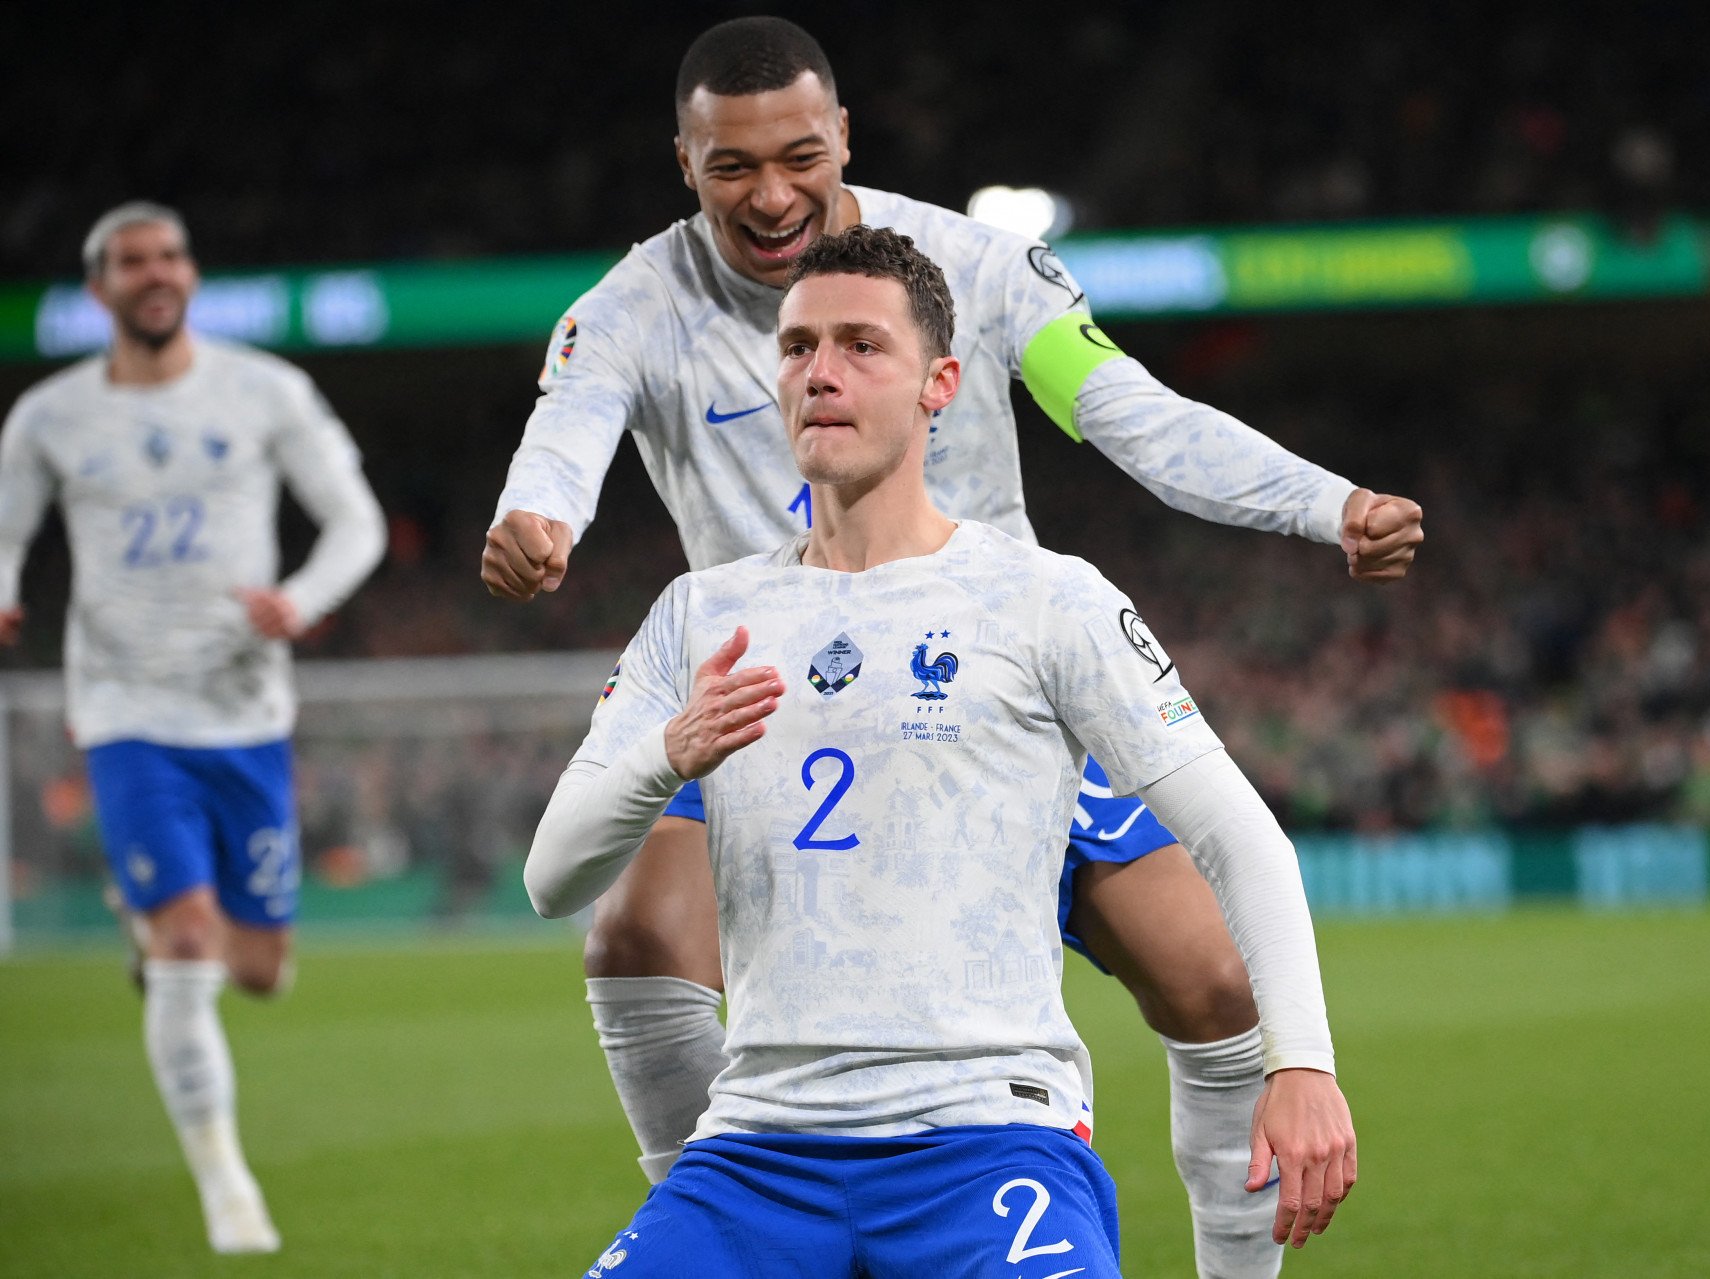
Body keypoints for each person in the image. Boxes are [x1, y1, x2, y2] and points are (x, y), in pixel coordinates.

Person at [484, 18, 1416, 1276]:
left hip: (987, 690)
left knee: (1217, 990)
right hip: (761, 699)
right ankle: (742, 1204)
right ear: (684, 161)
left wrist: (1323, 503)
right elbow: (569, 429)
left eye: (799, 157)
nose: (771, 196)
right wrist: (537, 514)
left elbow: (1126, 410)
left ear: (846, 137)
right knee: (634, 935)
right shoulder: (634, 305)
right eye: (731, 169)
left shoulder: (976, 266)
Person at [0, 202, 386, 1254]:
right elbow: (7, 527)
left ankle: (164, 934)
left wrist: (299, 600)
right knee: (184, 942)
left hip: (245, 711)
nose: (154, 273)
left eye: (169, 256)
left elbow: (355, 520)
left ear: (192, 274)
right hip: (126, 708)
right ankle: (228, 1190)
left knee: (256, 968)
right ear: (99, 289)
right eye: (131, 261)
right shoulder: (47, 417)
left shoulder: (264, 390)